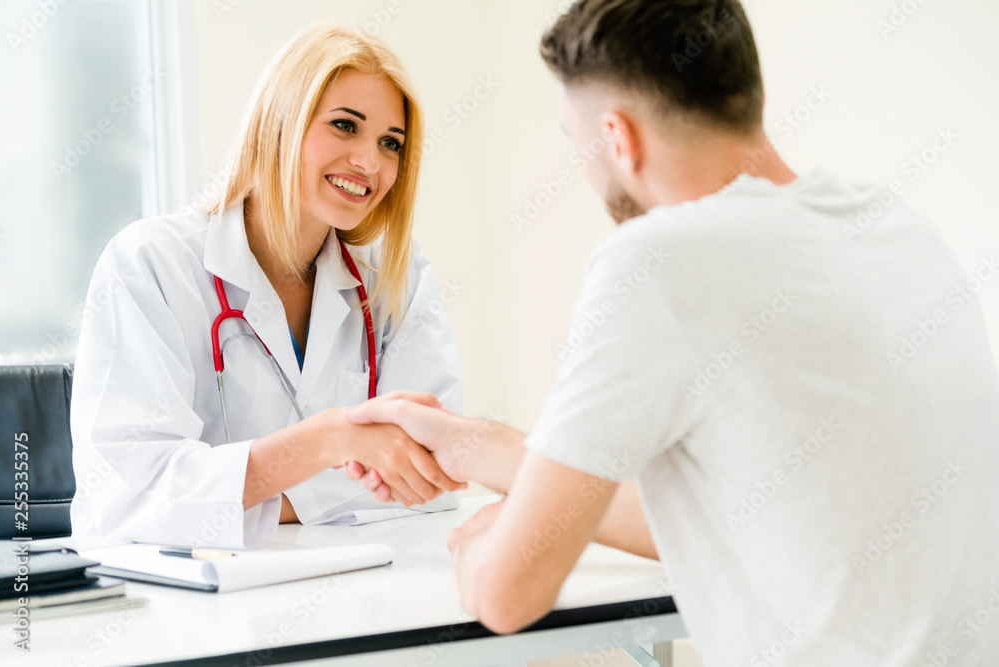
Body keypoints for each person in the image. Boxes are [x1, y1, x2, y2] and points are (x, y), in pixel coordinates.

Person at [342, 1, 999, 665]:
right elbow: (755, 510)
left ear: (616, 138)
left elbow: (506, 595)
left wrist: (480, 545)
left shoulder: (660, 260)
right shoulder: (896, 228)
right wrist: (484, 450)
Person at [70, 22, 466, 551]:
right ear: (280, 123)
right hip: (176, 609)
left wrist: (246, 499)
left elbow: (434, 476)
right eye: (345, 126)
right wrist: (332, 440)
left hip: (352, 593)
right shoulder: (151, 265)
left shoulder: (396, 278)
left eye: (390, 143)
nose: (370, 163)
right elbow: (133, 497)